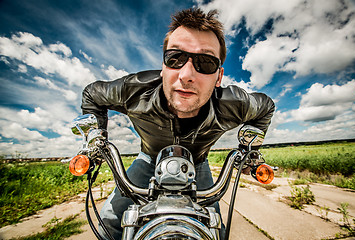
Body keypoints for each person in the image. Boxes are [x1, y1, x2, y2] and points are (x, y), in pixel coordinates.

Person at [81, 8, 275, 240]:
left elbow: (266, 107)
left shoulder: (234, 104)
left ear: (219, 77)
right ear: (163, 68)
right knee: (109, 222)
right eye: (175, 58)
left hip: (198, 163)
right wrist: (96, 140)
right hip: (149, 159)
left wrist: (249, 152)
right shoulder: (132, 90)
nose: (186, 74)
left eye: (205, 62)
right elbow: (92, 94)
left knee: (215, 229)